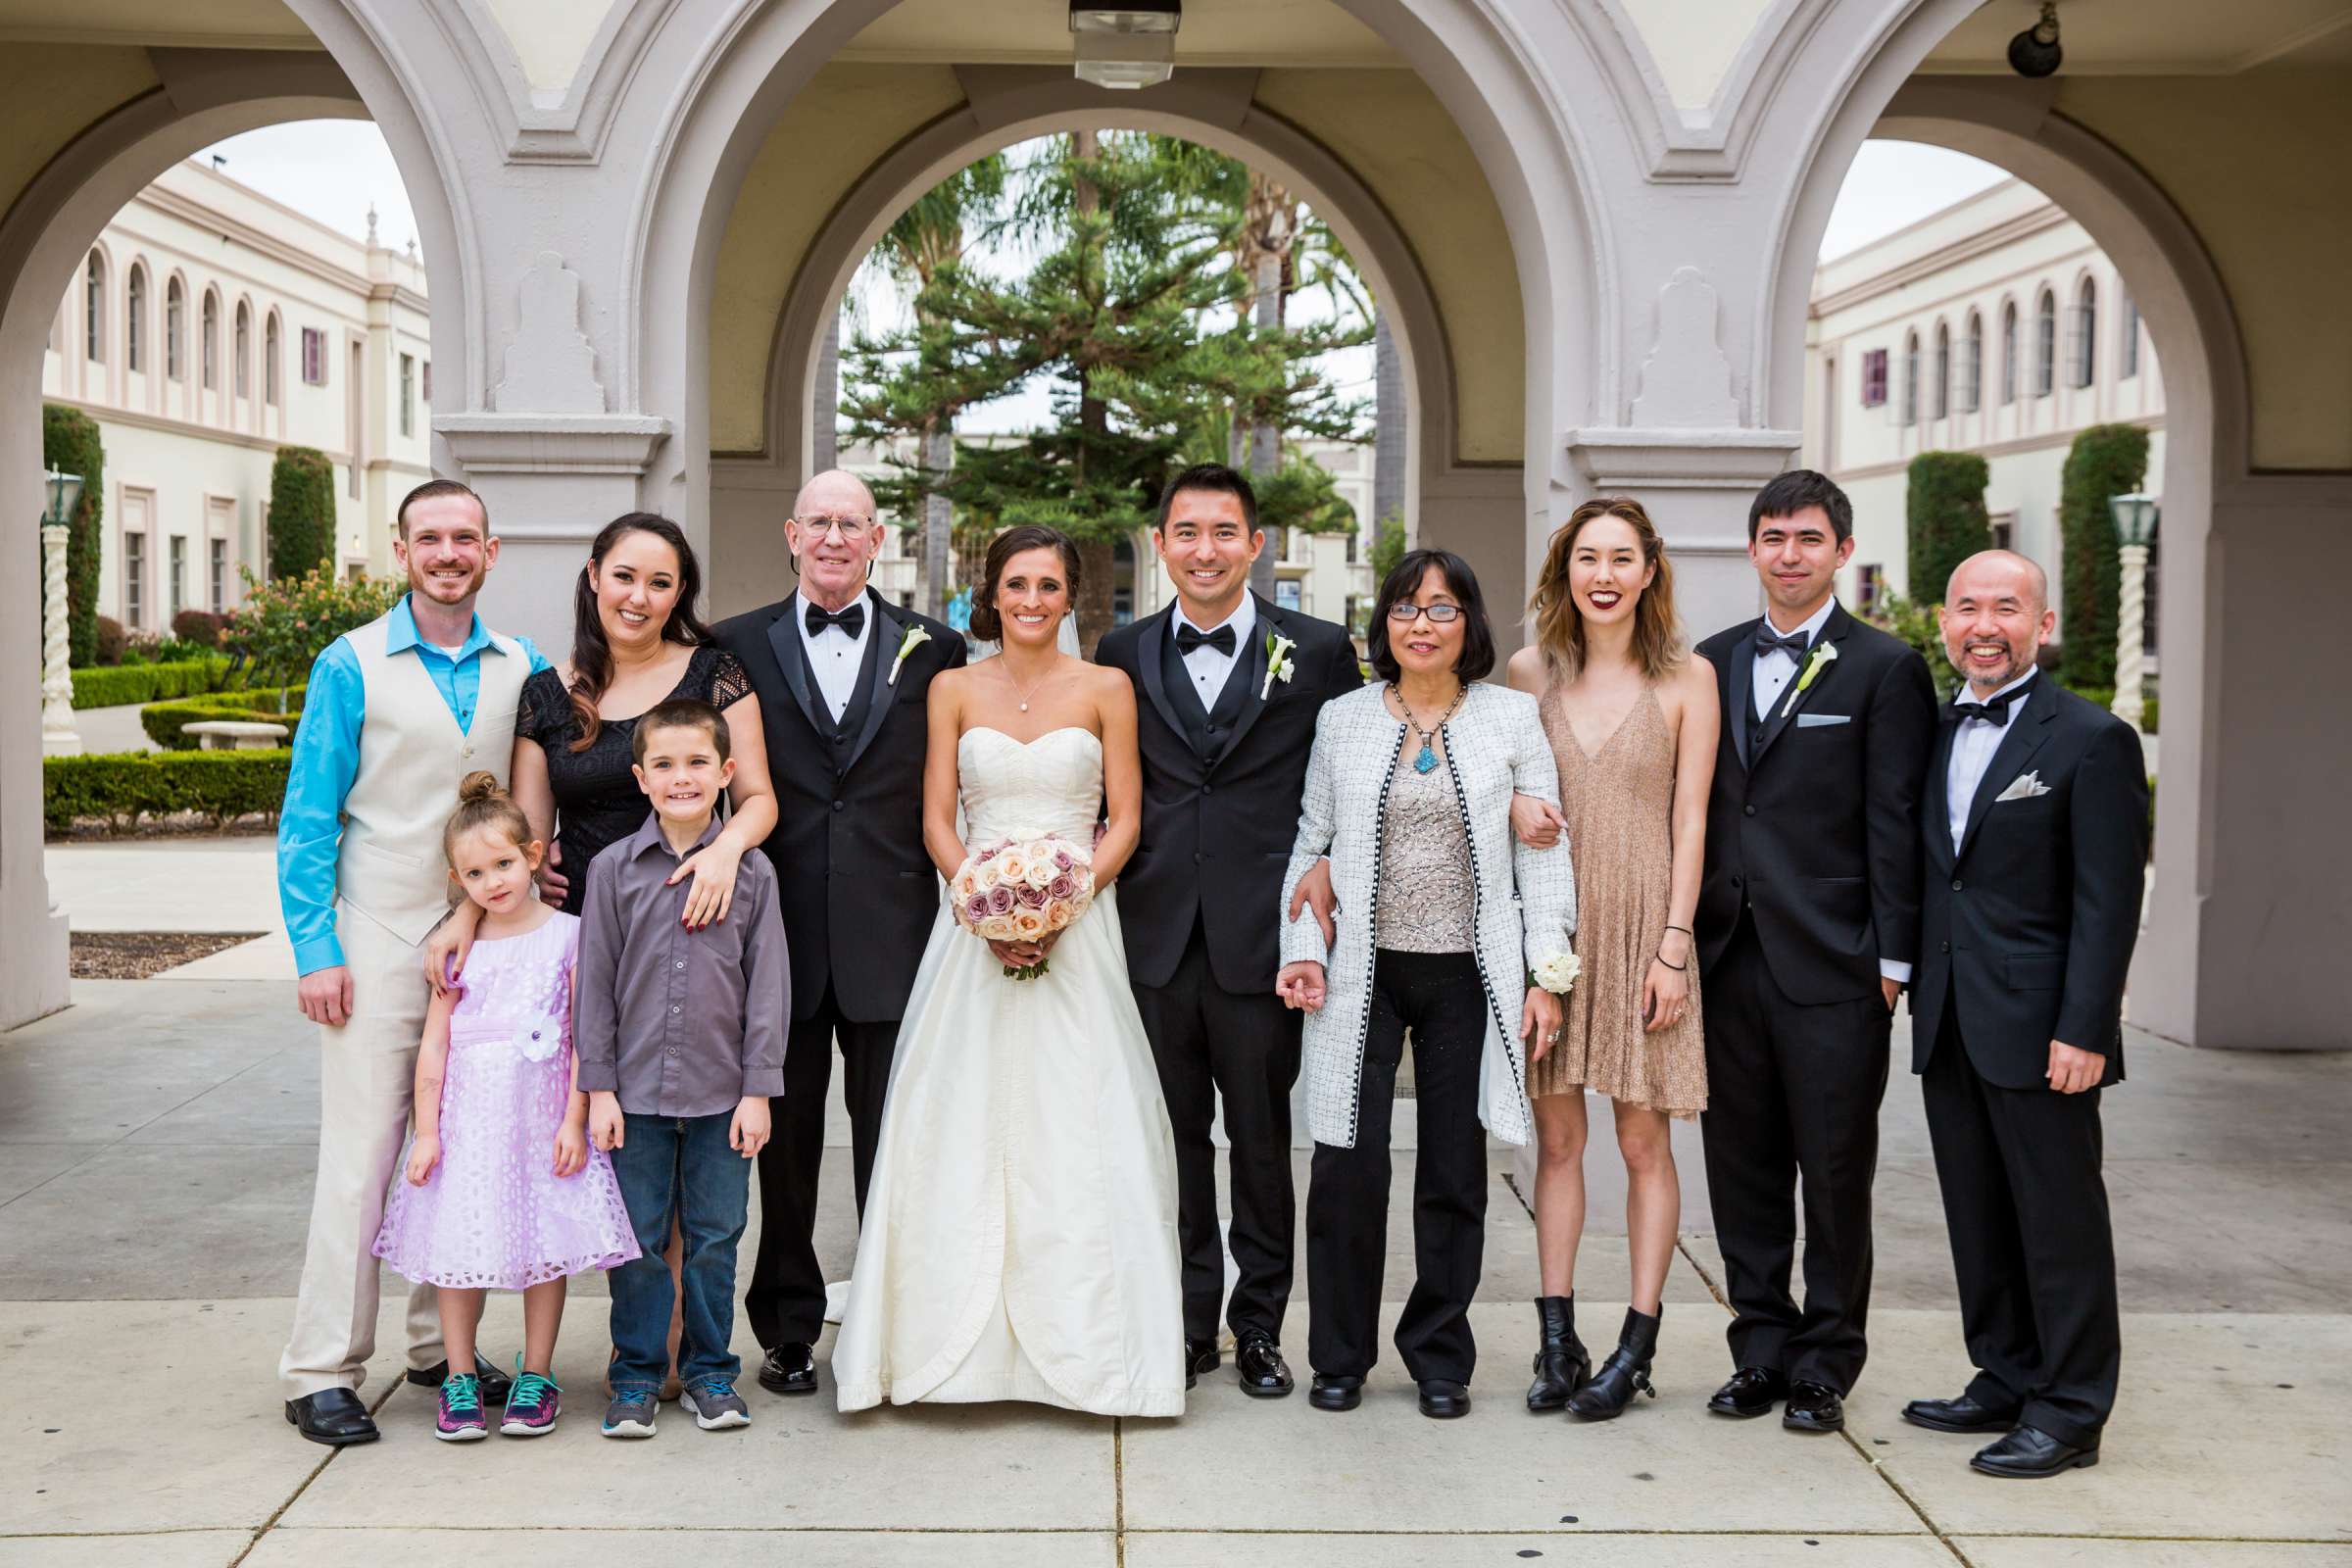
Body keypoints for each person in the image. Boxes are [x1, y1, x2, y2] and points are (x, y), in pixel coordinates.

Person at [830, 525, 1185, 1417]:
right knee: (955, 1119)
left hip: (1080, 930)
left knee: (1082, 1119)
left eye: (1050, 586)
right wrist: (985, 904)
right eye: (1017, 585)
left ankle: (1093, 1349)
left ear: (1072, 597)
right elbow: (938, 819)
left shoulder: (1108, 687)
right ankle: (947, 1345)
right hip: (972, 932)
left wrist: (1060, 909)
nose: (1032, 601)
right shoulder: (951, 687)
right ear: (991, 594)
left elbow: (1126, 820)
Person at [426, 512, 776, 1401]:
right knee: (606, 1149)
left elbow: (758, 795)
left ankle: (676, 1353)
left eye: (661, 583)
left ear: (680, 595)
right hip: (580, 941)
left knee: (683, 1141)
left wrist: (725, 852)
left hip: (697, 921)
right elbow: (525, 832)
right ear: (593, 576)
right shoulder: (552, 692)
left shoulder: (714, 675)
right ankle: (617, 1347)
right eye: (625, 576)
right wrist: (473, 914)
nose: (640, 597)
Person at [276, 478, 553, 1447]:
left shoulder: (527, 664)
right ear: (402, 551)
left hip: (491, 945)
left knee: (466, 1149)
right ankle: (321, 1368)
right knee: (361, 1160)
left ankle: (444, 1349)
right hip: (378, 935)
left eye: (464, 537)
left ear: (491, 549)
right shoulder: (348, 663)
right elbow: (307, 820)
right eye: (429, 537)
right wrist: (317, 949)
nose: (447, 551)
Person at [1276, 549, 1577, 1420]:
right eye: (1406, 608)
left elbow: (1544, 857)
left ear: (1469, 625)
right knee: (1346, 1166)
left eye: (1442, 609)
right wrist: (1302, 946)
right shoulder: (1344, 720)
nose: (1422, 624)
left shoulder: (1512, 719)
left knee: (1453, 1171)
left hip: (1467, 977)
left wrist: (1547, 975)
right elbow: (1312, 843)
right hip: (1363, 973)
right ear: (1385, 625)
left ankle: (1440, 1356)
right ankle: (1339, 1354)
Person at [1094, 463, 1359, 1396]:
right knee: (1172, 1140)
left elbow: (1350, 783)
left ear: (1255, 545)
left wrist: (1328, 869)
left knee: (1258, 1137)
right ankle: (1187, 1317)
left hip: (1268, 932)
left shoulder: (1321, 652)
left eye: (1223, 532)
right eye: (1186, 532)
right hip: (1155, 933)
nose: (1204, 550)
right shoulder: (1119, 652)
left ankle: (1259, 1324)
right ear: (1160, 544)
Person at [1691, 469, 1937, 1435]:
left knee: (1834, 1169)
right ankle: (1761, 1346)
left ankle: (1827, 1358)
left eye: (1807, 537)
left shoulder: (1884, 667)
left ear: (1839, 549)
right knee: (1741, 1165)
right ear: (1752, 549)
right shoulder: (1708, 662)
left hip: (1838, 964)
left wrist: (1892, 963)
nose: (1788, 553)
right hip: (1728, 957)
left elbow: (1899, 820)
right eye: (1772, 536)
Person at [712, 470, 965, 1398]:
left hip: (894, 934)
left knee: (894, 1140)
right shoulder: (733, 645)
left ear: (877, 537)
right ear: (791, 533)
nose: (831, 537)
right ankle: (784, 1327)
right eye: (815, 522)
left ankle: (894, 1319)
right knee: (779, 1142)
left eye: (848, 523)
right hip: (772, 936)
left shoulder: (935, 648)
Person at [1902, 550, 2144, 1479]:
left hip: (2046, 1026)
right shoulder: (1928, 729)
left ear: (2042, 625)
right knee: (1979, 1210)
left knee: (2059, 1221)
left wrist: (2086, 1028)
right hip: (1952, 1013)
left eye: (2007, 608)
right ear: (1945, 622)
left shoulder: (2091, 738)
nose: (1985, 626)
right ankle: (2004, 1373)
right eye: (1968, 608)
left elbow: (2106, 903)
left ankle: (2074, 1408)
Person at [1506, 498, 1719, 1419]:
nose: (1603, 575)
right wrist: (1516, 806)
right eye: (1587, 557)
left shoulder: (1688, 681)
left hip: (1644, 933)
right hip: (1550, 933)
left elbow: (1693, 819)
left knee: (1642, 1141)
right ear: (1566, 572)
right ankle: (1557, 1342)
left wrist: (1675, 948)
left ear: (1647, 572)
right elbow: (1502, 787)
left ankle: (1635, 1344)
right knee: (1557, 1143)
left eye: (1620, 558)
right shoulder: (1527, 673)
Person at [371, 773, 639, 1441]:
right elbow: (434, 1045)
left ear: (535, 854)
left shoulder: (570, 935)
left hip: (542, 1119)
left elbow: (584, 1035)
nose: (492, 881)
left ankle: (537, 1371)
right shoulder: (458, 947)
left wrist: (575, 1119)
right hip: (469, 1124)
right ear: (456, 880)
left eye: (503, 864)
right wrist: (426, 1133)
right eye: (474, 872)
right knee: (461, 1244)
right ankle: (460, 1376)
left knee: (541, 1243)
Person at [576, 700, 789, 1439]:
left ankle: (709, 1373)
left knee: (715, 1238)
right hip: (631, 1096)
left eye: (698, 762)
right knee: (636, 1239)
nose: (682, 777)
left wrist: (757, 1092)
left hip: (719, 1096)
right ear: (640, 778)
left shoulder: (755, 874)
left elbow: (769, 990)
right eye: (664, 764)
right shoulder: (611, 872)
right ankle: (634, 1377)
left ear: (727, 772)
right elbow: (593, 985)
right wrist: (596, 1089)